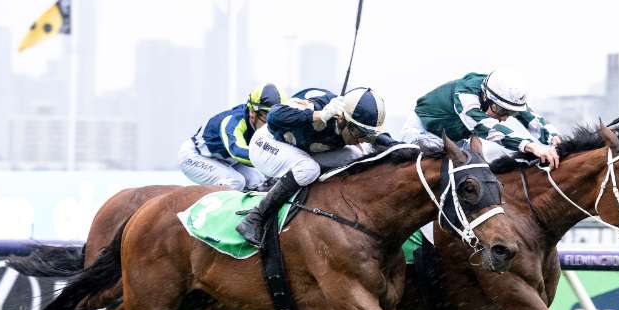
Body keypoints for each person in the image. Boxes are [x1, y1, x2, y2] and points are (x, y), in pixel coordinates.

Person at [236, 86, 387, 248]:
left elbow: (384, 141)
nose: (362, 140)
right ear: (342, 119)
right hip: (266, 144)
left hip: (300, 150)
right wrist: (319, 115)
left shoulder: (350, 120)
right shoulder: (322, 105)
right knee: (309, 169)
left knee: (357, 156)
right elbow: (274, 115)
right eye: (359, 133)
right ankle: (256, 217)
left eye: (367, 136)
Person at [401, 70, 561, 169]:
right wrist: (532, 146)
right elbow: (487, 128)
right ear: (485, 97)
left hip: (454, 138)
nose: (503, 119)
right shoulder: (465, 96)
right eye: (501, 111)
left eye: (510, 113)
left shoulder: (499, 93)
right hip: (423, 133)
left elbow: (530, 117)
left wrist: (554, 138)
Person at [178, 83, 286, 191]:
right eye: (267, 117)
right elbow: (237, 151)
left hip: (227, 160)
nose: (271, 125)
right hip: (195, 156)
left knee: (258, 180)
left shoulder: (264, 124)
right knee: (235, 181)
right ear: (252, 113)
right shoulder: (233, 122)